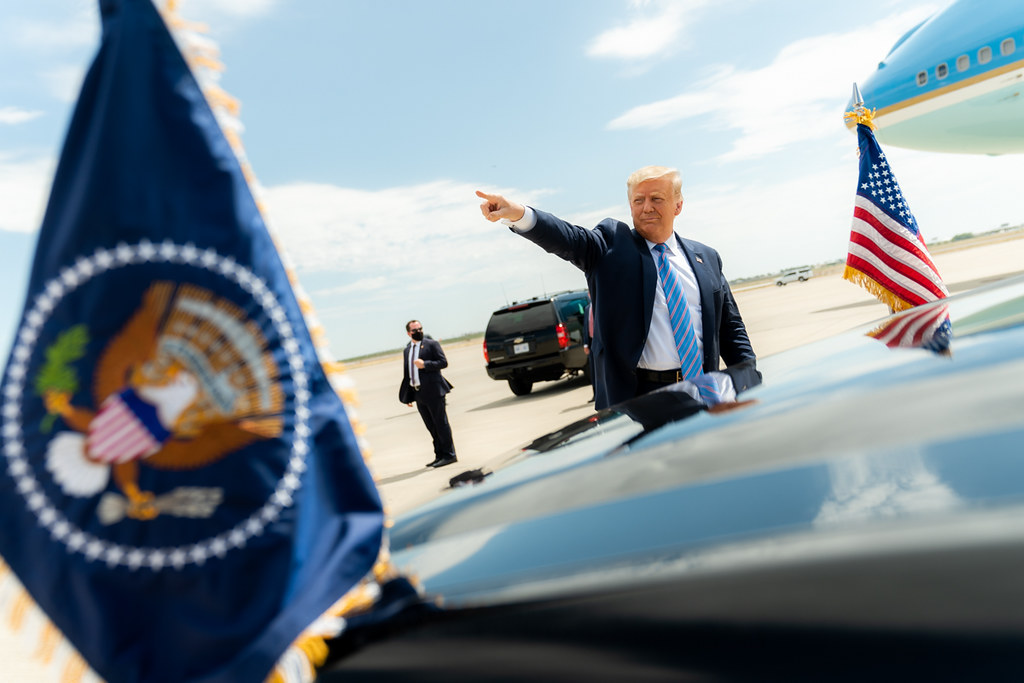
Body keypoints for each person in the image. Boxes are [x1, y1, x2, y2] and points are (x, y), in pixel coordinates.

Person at [476, 165, 760, 410]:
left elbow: (732, 329)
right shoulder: (611, 246)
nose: (646, 207)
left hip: (705, 392)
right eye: (638, 200)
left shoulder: (706, 258)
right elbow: (568, 238)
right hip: (639, 399)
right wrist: (518, 214)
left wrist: (749, 383)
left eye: (656, 198)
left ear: (678, 205)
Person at [398, 320, 457, 468]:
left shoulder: (431, 344)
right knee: (431, 426)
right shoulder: (407, 350)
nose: (418, 331)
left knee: (441, 424)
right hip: (418, 393)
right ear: (408, 333)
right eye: (414, 330)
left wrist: (425, 364)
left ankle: (450, 455)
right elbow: (408, 374)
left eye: (420, 328)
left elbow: (443, 362)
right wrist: (408, 395)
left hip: (434, 391)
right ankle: (439, 455)